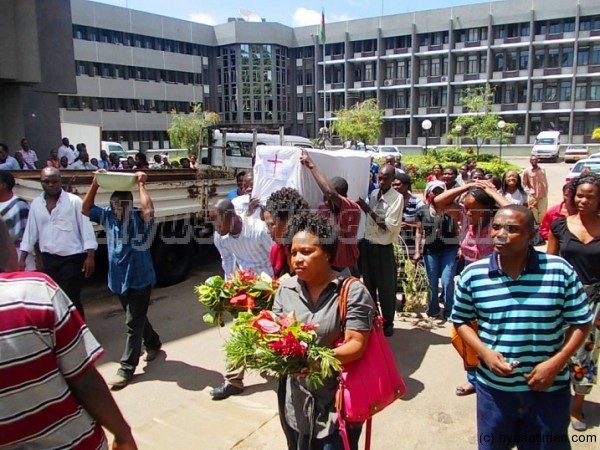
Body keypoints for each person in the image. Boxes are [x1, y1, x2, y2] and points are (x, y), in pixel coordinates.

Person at [452, 205, 592, 449]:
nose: (500, 235)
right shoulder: (473, 275)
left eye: (512, 229)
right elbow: (461, 320)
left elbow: (581, 322)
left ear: (531, 235)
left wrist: (555, 363)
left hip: (548, 390)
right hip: (494, 392)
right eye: (496, 227)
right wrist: (484, 352)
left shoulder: (559, 271)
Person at [0, 218, 138, 450]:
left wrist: (90, 255)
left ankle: (131, 358)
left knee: (134, 321)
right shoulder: (35, 292)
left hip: (77, 265)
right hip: (70, 443)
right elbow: (84, 378)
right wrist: (122, 433)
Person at [273, 211, 374, 449]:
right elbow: (277, 334)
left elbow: (357, 344)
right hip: (297, 404)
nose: (297, 259)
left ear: (327, 253)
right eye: (294, 252)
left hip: (337, 405)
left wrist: (315, 361)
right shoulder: (285, 289)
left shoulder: (352, 291)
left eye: (307, 252)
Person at [83, 171, 162, 390]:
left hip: (139, 278)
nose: (118, 210)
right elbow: (86, 209)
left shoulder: (138, 218)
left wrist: (140, 185)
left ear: (130, 206)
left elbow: (149, 210)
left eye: (122, 206)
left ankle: (126, 368)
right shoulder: (107, 216)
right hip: (118, 279)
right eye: (115, 206)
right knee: (136, 317)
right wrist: (94, 184)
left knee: (132, 323)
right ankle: (153, 342)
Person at [434, 180, 510, 396]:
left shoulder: (498, 221)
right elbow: (439, 201)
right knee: (466, 332)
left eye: (471, 207)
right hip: (469, 279)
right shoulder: (465, 217)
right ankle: (473, 378)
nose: (466, 210)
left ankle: (494, 374)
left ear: (486, 209)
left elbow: (515, 210)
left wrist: (491, 192)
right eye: (465, 206)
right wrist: (467, 187)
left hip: (495, 281)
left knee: (491, 331)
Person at [547, 173, 600, 431]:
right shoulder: (560, 226)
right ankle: (552, 397)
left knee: (585, 355)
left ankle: (576, 407)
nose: (583, 200)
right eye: (580, 195)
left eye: (590, 196)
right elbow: (549, 265)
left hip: (596, 303)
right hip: (562, 299)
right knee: (554, 349)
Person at [210, 198, 273, 400]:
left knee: (272, 331)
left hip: (270, 287)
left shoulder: (259, 230)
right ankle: (233, 380)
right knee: (242, 331)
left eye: (218, 222)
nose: (215, 227)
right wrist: (229, 288)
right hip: (246, 288)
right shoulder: (221, 237)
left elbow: (278, 255)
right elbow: (227, 260)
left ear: (230, 216)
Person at [18, 167, 97, 319]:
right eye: (46, 181)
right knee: (53, 298)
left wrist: (90, 256)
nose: (51, 184)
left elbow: (86, 230)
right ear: (41, 182)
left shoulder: (74, 202)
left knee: (70, 297)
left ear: (60, 181)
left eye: (54, 181)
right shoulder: (36, 205)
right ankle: (62, 332)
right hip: (49, 260)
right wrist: (22, 259)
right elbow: (30, 233)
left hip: (72, 259)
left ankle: (79, 332)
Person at [357, 164, 404, 337]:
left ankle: (388, 323)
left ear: (393, 179)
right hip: (368, 246)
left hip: (383, 249)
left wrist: (367, 209)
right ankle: (375, 319)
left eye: (386, 178)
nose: (382, 181)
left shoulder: (397, 198)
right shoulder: (374, 194)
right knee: (369, 287)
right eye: (380, 178)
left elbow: (387, 226)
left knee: (386, 289)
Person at [300, 149, 361, 274]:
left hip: (345, 269)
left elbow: (330, 193)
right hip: (326, 268)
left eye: (328, 197)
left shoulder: (352, 208)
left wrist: (311, 165)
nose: (325, 199)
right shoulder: (323, 209)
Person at [414, 181, 459, 321]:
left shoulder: (451, 210)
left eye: (441, 191)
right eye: (435, 191)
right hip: (430, 251)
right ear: (429, 193)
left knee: (447, 281)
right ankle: (433, 309)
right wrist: (417, 251)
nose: (438, 193)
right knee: (431, 281)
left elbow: (457, 229)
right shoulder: (422, 211)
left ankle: (449, 310)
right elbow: (419, 232)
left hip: (449, 249)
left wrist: (460, 246)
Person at [263, 187, 309, 278]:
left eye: (271, 224)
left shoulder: (311, 251)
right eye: (267, 226)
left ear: (289, 221)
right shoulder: (276, 251)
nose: (269, 231)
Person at [0, 171, 34, 271]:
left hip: (18, 259)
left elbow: (27, 236)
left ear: (3, 185)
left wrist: (22, 260)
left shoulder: (20, 206)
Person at [392, 172, 424, 259]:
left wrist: (409, 226)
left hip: (412, 245)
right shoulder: (390, 202)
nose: (395, 187)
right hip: (394, 245)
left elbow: (423, 227)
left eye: (398, 184)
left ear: (406, 185)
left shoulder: (417, 203)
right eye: (393, 185)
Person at [521, 155, 549, 224]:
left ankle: (540, 227)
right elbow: (523, 184)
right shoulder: (527, 171)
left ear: (537, 161)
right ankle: (535, 226)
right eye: (532, 160)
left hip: (543, 195)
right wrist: (529, 192)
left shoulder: (542, 169)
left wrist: (546, 189)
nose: (534, 161)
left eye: (535, 160)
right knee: (533, 212)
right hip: (532, 196)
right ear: (530, 161)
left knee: (543, 212)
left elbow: (545, 181)